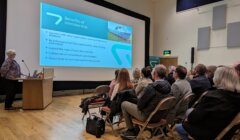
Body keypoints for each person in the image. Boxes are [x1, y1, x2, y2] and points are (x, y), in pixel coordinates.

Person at [175, 67, 240, 140]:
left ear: (218, 78)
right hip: (226, 133)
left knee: (178, 127)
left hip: (209, 133)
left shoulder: (213, 97)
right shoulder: (237, 96)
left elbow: (193, 118)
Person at [121, 65, 171, 138]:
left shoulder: (152, 87)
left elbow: (140, 105)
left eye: (153, 70)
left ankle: (130, 130)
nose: (151, 72)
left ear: (156, 74)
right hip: (160, 116)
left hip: (148, 117)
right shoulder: (168, 86)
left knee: (124, 104)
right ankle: (136, 128)